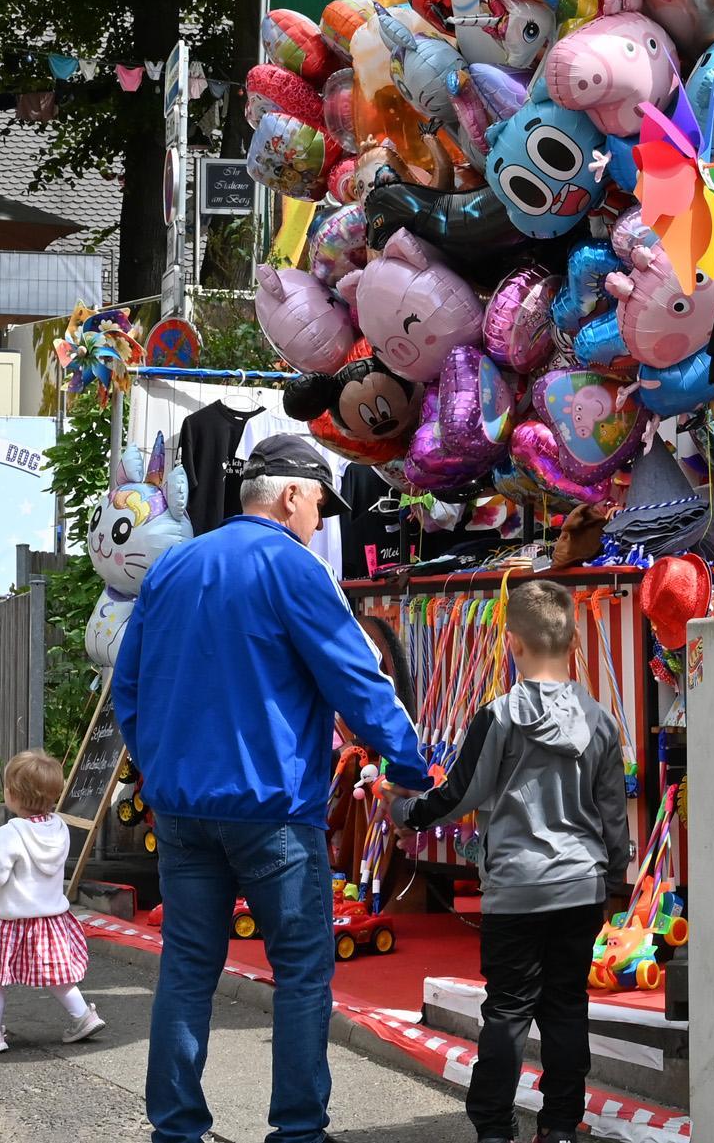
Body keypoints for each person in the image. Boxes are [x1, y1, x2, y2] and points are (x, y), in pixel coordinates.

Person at [113, 433, 430, 1143]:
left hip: (183, 805)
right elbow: (360, 682)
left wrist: (159, 768)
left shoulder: (173, 567)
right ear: (292, 494)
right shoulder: (295, 568)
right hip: (272, 810)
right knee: (301, 970)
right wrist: (411, 767)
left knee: (189, 966)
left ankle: (176, 1130)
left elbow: (127, 686)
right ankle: (296, 1131)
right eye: (320, 504)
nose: (320, 520)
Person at [386, 579, 632, 1143]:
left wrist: (408, 812)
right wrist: (613, 871)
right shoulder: (599, 721)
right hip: (580, 886)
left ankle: (495, 1128)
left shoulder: (497, 716)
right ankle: (562, 1127)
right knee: (567, 1007)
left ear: (513, 644)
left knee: (507, 1011)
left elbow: (461, 793)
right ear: (573, 643)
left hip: (517, 887)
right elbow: (612, 811)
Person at [0, 750, 106, 1055]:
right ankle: (82, 1015)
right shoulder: (59, 828)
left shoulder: (9, 833)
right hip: (50, 918)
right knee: (56, 972)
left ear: (12, 795)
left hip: (9, 918)